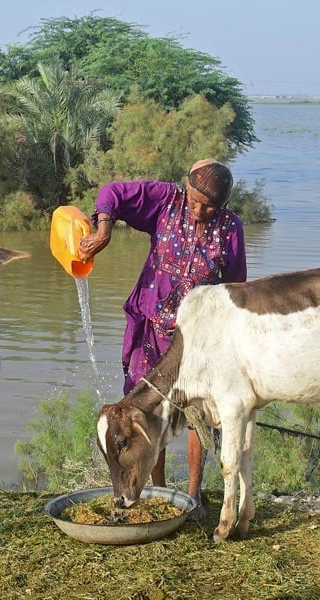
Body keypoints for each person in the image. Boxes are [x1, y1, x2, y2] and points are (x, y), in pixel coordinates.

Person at [77, 158, 247, 517]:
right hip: (152, 329)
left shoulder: (231, 228)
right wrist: (104, 230)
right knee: (147, 413)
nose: (199, 210)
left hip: (199, 341)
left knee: (198, 414)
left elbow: (237, 289)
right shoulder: (167, 201)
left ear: (223, 206)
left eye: (209, 206)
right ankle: (156, 489)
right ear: (186, 188)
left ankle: (193, 495)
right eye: (194, 199)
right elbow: (113, 193)